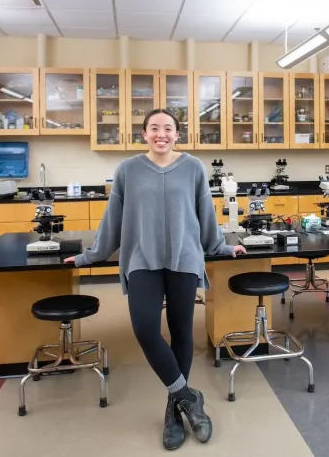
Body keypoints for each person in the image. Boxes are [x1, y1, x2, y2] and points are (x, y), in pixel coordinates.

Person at [64, 108, 246, 450]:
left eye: (168, 128)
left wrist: (220, 247)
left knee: (181, 331)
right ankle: (189, 398)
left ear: (178, 134)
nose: (161, 133)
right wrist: (90, 255)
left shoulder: (193, 167)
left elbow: (205, 213)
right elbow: (113, 219)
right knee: (146, 329)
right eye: (153, 128)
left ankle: (173, 410)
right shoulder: (128, 170)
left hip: (184, 259)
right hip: (141, 260)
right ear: (144, 133)